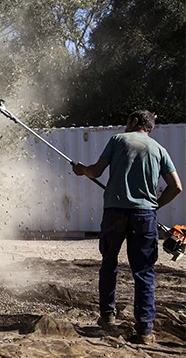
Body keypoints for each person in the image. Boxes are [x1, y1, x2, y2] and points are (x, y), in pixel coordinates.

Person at [72, 110, 182, 345]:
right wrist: (154, 206)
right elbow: (176, 187)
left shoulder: (118, 141)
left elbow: (96, 171)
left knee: (109, 265)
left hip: (115, 213)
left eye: (127, 121)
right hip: (145, 215)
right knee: (143, 272)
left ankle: (108, 318)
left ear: (134, 122)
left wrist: (82, 170)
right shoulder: (159, 149)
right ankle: (144, 329)